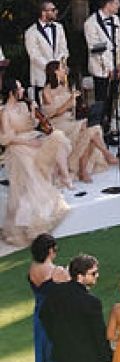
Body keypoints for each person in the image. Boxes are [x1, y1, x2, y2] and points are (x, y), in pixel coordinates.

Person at [1, 80, 72, 244]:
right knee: (30, 171)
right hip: (17, 145)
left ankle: (64, 176)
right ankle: (28, 222)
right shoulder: (4, 112)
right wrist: (28, 142)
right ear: (12, 92)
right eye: (20, 88)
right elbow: (5, 138)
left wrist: (33, 114)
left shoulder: (23, 106)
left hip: (32, 137)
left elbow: (30, 125)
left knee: (58, 138)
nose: (22, 90)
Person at [42, 60, 113, 183]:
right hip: (57, 123)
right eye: (62, 68)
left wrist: (76, 101)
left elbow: (72, 108)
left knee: (93, 128)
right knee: (85, 126)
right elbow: (52, 113)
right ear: (55, 71)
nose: (65, 70)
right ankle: (105, 155)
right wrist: (70, 101)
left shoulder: (64, 87)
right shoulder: (46, 91)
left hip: (70, 120)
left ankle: (84, 168)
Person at [83, 0, 120, 135]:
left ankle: (108, 129)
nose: (119, 5)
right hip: (101, 68)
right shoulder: (91, 23)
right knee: (100, 101)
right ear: (108, 4)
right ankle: (98, 131)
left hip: (116, 67)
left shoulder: (116, 20)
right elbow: (96, 49)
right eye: (117, 3)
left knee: (112, 100)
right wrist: (109, 68)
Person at [28, 234, 66, 362]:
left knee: (42, 346)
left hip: (39, 313)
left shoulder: (32, 268)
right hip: (55, 314)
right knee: (55, 347)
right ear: (50, 250)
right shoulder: (56, 270)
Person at [24, 0, 70, 97]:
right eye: (53, 10)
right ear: (43, 12)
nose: (56, 12)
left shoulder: (59, 27)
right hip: (41, 76)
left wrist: (58, 66)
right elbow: (34, 55)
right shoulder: (31, 32)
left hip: (59, 75)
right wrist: (51, 68)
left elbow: (64, 49)